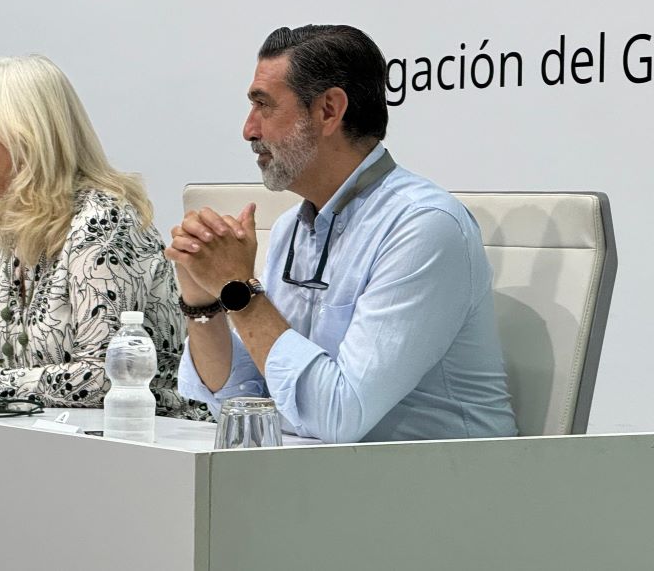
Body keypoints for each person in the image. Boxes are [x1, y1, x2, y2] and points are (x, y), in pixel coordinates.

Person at [168, 25, 517, 443]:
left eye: (264, 105)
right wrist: (202, 301)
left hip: (441, 490)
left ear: (330, 110)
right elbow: (239, 401)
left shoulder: (423, 225)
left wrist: (239, 290)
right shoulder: (289, 229)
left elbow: (338, 417)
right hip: (329, 481)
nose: (249, 129)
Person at [0, 55, 208, 419]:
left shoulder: (104, 222)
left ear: (22, 133)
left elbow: (105, 376)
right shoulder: (12, 224)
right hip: (51, 439)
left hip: (148, 439)